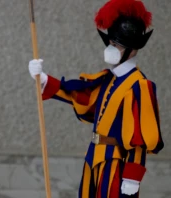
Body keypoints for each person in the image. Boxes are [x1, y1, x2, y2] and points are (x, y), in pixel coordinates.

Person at [28, 0, 164, 197]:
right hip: (94, 156)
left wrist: (133, 176)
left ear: (132, 49)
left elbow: (139, 138)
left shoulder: (139, 85)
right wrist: (44, 79)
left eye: (117, 44)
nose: (111, 47)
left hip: (116, 163)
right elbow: (81, 97)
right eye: (111, 42)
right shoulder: (109, 79)